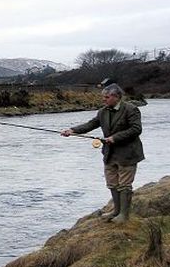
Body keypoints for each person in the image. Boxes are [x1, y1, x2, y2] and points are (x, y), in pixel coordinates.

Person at [61, 83, 144, 223]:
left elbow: (136, 129)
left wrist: (114, 138)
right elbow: (90, 124)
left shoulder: (131, 109)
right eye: (103, 97)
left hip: (128, 153)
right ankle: (116, 211)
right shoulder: (103, 111)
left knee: (124, 185)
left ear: (116, 97)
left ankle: (124, 216)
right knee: (112, 183)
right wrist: (72, 130)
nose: (103, 100)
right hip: (109, 154)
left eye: (106, 97)